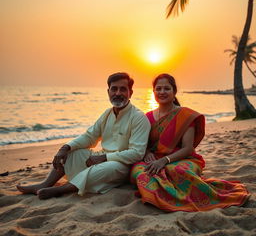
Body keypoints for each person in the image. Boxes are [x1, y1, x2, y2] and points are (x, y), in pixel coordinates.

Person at [17, 72, 150, 199]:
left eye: (122, 89)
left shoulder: (138, 117)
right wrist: (65, 147)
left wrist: (105, 157)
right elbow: (89, 137)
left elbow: (137, 153)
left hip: (122, 165)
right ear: (108, 92)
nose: (118, 93)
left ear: (130, 93)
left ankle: (61, 190)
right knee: (71, 153)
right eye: (114, 89)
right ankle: (45, 184)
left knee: (109, 167)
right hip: (101, 158)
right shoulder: (107, 114)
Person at [130, 73, 250, 212]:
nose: (162, 92)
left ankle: (172, 200)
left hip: (181, 158)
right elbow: (140, 142)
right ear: (154, 92)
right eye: (159, 89)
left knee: (176, 171)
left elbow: (188, 148)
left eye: (166, 89)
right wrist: (147, 152)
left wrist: (164, 160)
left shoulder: (185, 115)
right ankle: (158, 197)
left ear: (174, 91)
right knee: (139, 171)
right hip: (153, 158)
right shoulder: (147, 117)